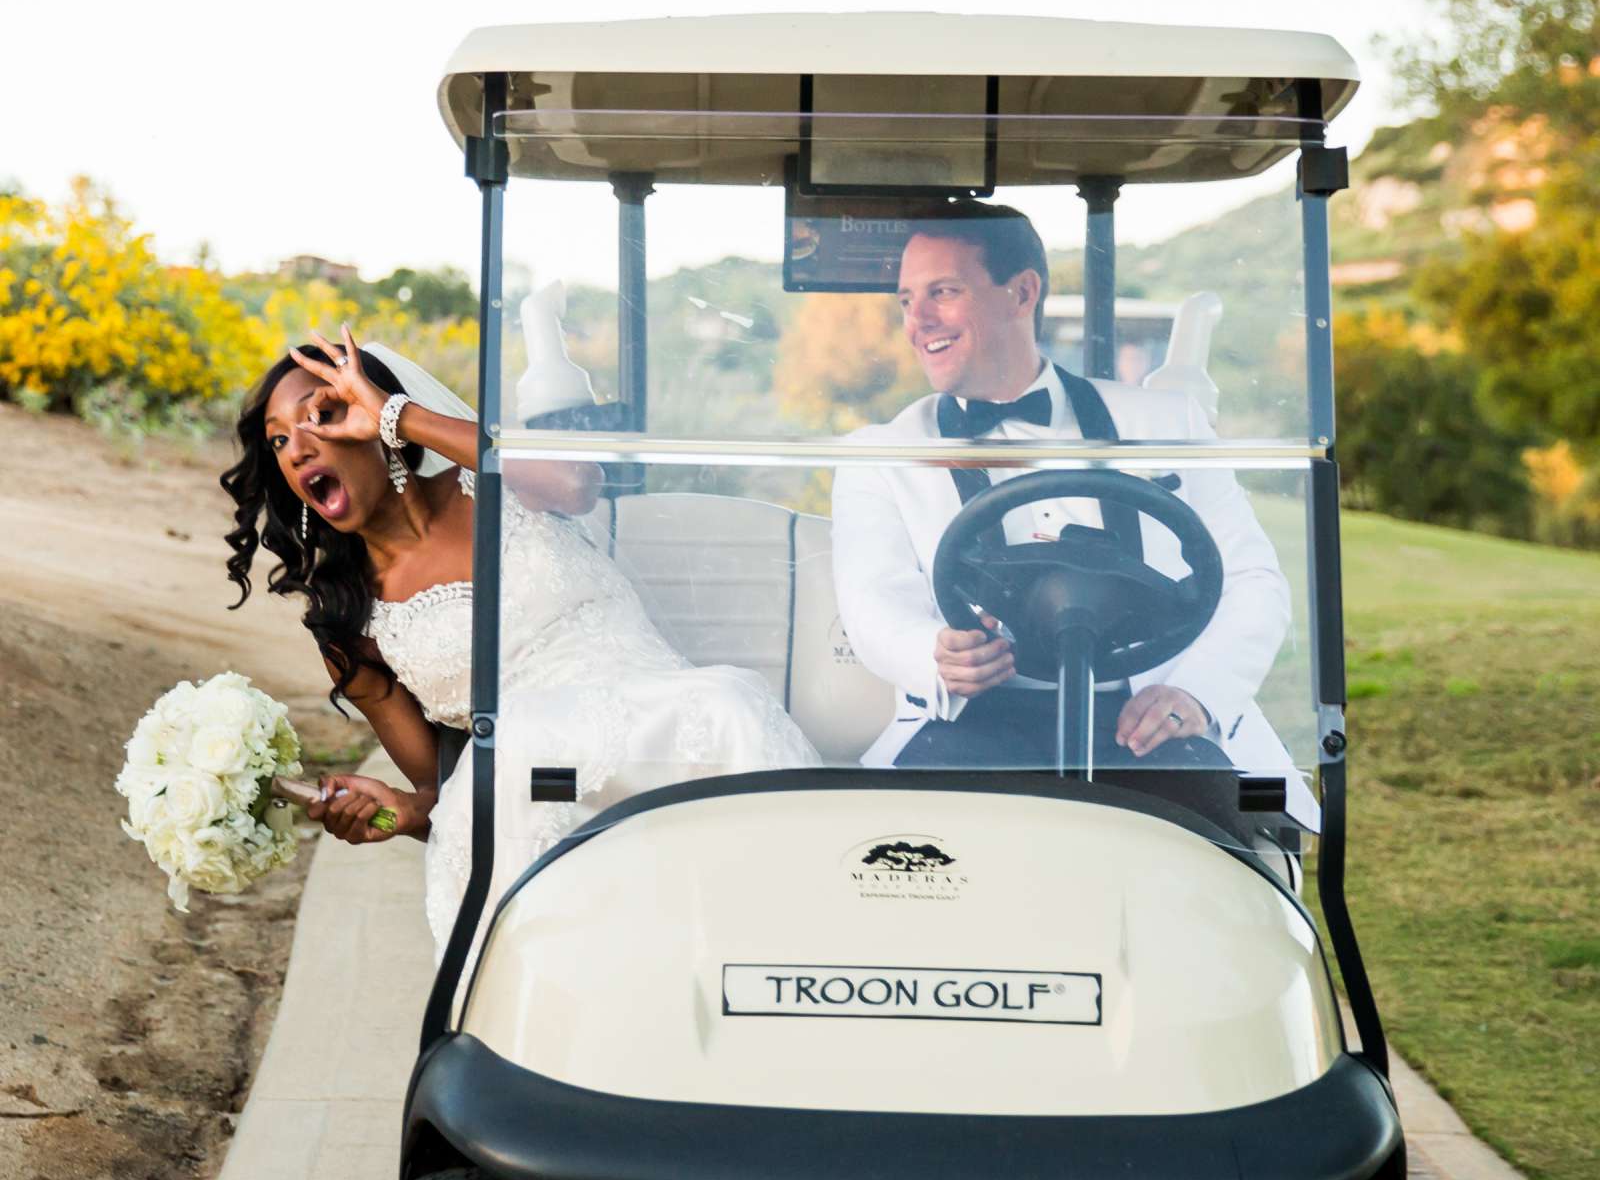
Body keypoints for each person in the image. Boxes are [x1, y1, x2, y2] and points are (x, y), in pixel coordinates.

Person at [222, 327, 818, 959]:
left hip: (671, 730)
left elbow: (574, 482)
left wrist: (399, 416)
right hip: (539, 794)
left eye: (324, 415)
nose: (298, 449)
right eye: (280, 440)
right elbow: (449, 801)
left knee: (729, 704)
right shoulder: (350, 626)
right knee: (518, 748)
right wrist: (396, 812)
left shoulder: (492, 480)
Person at [830, 207, 1316, 825]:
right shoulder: (878, 455)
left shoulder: (1169, 425)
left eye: (943, 293)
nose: (917, 321)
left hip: (1147, 715)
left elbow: (1253, 582)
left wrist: (1197, 691)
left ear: (1022, 292)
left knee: (1233, 853)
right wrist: (936, 655)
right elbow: (872, 603)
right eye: (906, 301)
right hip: (971, 720)